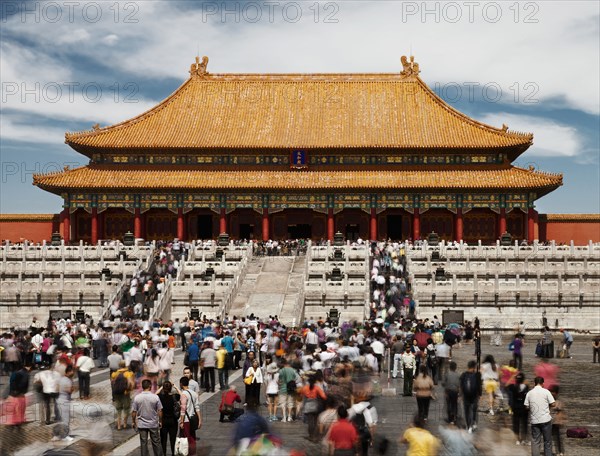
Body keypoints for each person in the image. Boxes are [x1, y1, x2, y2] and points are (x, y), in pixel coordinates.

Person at [132, 379, 164, 456]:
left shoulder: (137, 398)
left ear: (142, 387)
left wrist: (133, 421)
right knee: (156, 442)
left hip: (142, 424)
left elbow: (134, 412)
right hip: (153, 423)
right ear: (150, 386)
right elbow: (160, 410)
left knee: (143, 443)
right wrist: (160, 421)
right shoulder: (155, 397)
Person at [524, 376, 556, 456]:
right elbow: (553, 403)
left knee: (535, 441)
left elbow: (526, 406)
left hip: (535, 420)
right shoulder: (546, 392)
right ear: (543, 383)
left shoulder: (529, 393)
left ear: (534, 383)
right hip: (545, 419)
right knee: (547, 441)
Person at [299, 374, 327, 441]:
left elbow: (300, 396)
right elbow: (324, 397)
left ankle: (311, 436)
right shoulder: (317, 388)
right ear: (315, 381)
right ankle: (315, 435)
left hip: (308, 406)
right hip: (316, 406)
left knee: (310, 422)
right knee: (315, 421)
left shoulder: (305, 388)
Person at [157, 381, 181, 456]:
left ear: (163, 389)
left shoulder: (160, 397)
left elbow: (155, 394)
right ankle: (173, 453)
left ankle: (164, 453)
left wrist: (161, 387)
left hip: (163, 420)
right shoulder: (174, 396)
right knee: (173, 439)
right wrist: (175, 387)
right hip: (173, 420)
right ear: (171, 388)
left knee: (163, 439)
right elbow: (182, 395)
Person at [179, 375, 202, 455]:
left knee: (186, 438)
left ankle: (186, 453)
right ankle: (193, 453)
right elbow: (197, 407)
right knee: (192, 437)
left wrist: (181, 421)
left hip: (186, 420)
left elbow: (183, 409)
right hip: (193, 419)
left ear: (181, 384)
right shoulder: (194, 394)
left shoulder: (183, 394)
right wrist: (200, 420)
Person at [460, 360, 482, 433]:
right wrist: (480, 394)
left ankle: (468, 425)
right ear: (474, 367)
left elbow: (461, 386)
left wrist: (461, 394)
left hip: (466, 396)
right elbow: (479, 386)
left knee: (466, 411)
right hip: (474, 395)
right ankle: (473, 423)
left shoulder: (463, 375)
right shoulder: (477, 375)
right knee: (474, 410)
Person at [112, 361, 135, 430]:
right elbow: (132, 383)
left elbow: (113, 383)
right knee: (126, 408)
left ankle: (119, 425)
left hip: (116, 393)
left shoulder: (114, 374)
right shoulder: (129, 373)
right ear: (125, 365)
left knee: (118, 409)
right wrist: (129, 389)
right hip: (125, 393)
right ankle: (124, 424)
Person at [54, 365, 75, 442]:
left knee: (60, 419)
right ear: (69, 372)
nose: (73, 373)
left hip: (58, 400)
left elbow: (56, 388)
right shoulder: (69, 380)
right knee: (66, 419)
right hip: (65, 401)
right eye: (72, 371)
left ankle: (57, 435)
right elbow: (69, 390)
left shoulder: (60, 379)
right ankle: (65, 436)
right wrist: (73, 387)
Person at [509, 372, 530, 445]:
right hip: (524, 408)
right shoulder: (526, 387)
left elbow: (506, 386)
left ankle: (517, 439)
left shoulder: (513, 386)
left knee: (516, 423)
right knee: (524, 424)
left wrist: (512, 377)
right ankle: (524, 439)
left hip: (516, 407)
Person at [278, 358, 298, 422]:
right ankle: (289, 417)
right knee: (290, 403)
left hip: (283, 388)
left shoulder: (281, 370)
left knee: (283, 403)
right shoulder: (293, 370)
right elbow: (296, 378)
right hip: (291, 389)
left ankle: (284, 417)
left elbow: (279, 380)